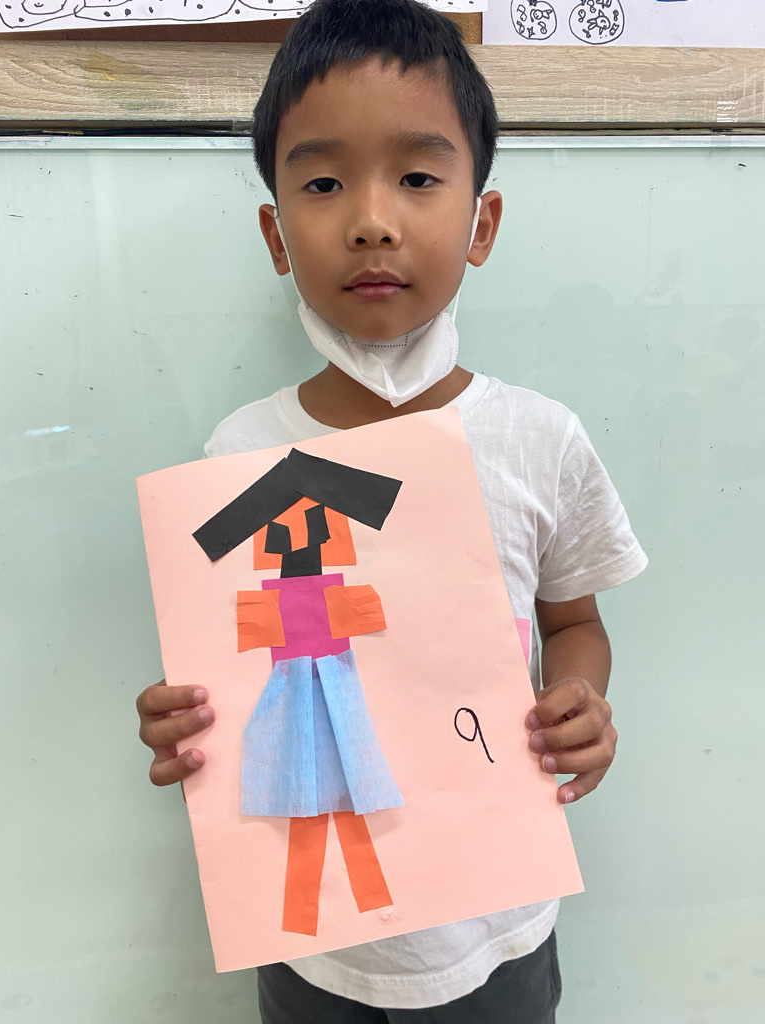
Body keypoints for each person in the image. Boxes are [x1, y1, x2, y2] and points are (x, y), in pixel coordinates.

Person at [136, 0, 648, 1020]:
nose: (372, 218)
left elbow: (574, 621)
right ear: (277, 234)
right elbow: (220, 667)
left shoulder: (538, 438)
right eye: (323, 182)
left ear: (481, 222)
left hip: (498, 926)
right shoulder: (240, 456)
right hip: (311, 945)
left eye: (417, 176)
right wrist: (181, 718)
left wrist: (581, 701)